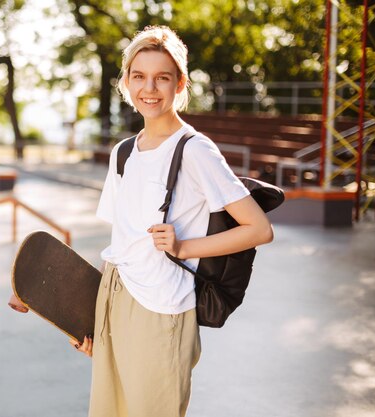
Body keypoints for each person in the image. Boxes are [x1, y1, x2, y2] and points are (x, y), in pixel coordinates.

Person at [69, 26, 274, 417]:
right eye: (139, 76)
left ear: (179, 83)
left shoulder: (196, 150)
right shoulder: (123, 152)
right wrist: (90, 316)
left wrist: (184, 247)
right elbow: (120, 241)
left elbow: (259, 229)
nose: (150, 88)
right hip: (114, 296)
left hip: (162, 308)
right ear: (126, 82)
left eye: (162, 77)